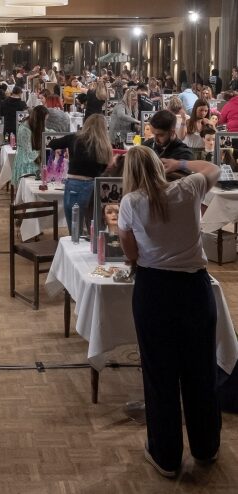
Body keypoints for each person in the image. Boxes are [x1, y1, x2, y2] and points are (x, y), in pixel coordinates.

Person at [118, 145, 221, 477]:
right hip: (194, 288)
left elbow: (130, 252)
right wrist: (182, 162)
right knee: (201, 369)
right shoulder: (187, 188)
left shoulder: (131, 202)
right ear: (160, 167)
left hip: (154, 290)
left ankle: (166, 455)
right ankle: (207, 447)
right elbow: (215, 169)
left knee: (160, 374)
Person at [48, 113, 112, 234]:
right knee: (94, 226)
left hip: (75, 185)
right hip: (96, 186)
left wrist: (66, 150)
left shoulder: (74, 138)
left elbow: (52, 143)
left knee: (75, 228)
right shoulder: (104, 146)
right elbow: (103, 169)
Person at [12, 105, 50, 187]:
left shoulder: (32, 124)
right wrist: (42, 152)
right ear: (40, 119)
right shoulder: (25, 129)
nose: (45, 122)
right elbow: (29, 154)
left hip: (30, 160)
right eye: (44, 120)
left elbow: (47, 131)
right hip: (26, 163)